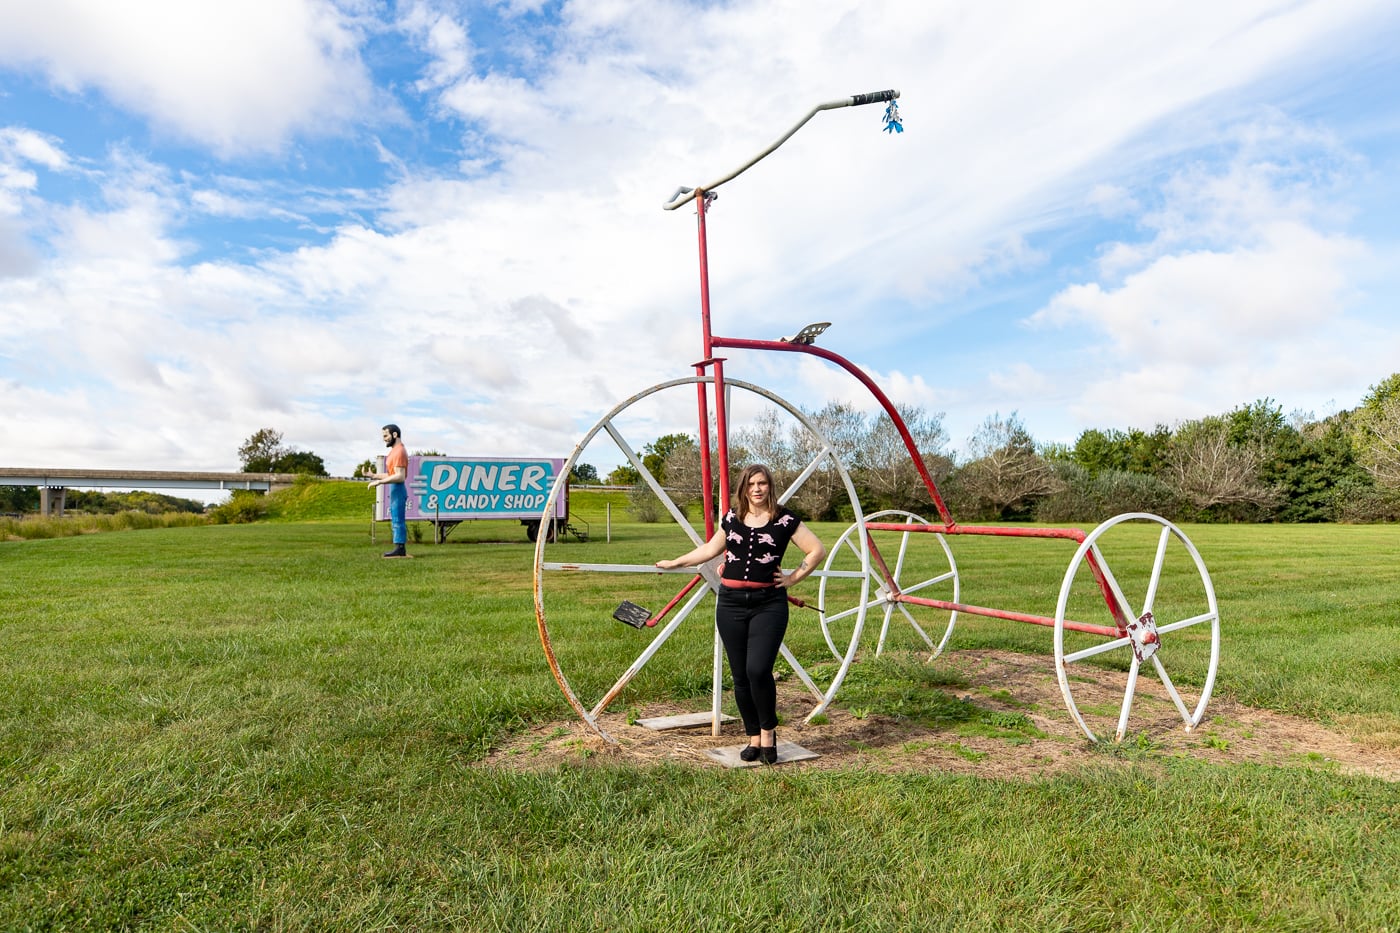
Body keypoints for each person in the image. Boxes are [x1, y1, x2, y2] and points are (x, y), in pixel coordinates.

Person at [655, 464, 826, 763]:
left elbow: (816, 550)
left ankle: (769, 733)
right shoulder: (732, 518)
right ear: (744, 488)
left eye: (762, 484)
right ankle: (753, 738)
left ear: (770, 487)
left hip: (768, 604)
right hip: (731, 602)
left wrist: (792, 579)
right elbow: (709, 550)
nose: (757, 489)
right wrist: (675, 562)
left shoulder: (784, 519)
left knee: (758, 670)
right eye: (751, 484)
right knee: (740, 677)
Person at [368, 423, 409, 558]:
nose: (384, 438)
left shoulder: (399, 451)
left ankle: (400, 548)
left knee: (398, 519)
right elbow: (392, 474)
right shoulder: (394, 452)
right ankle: (398, 547)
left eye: (386, 435)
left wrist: (379, 482)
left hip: (398, 488)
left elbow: (400, 476)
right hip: (394, 488)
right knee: (395, 518)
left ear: (395, 435)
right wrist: (374, 476)